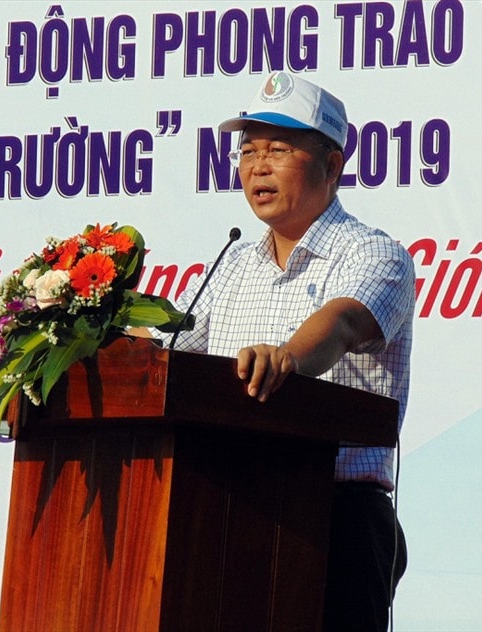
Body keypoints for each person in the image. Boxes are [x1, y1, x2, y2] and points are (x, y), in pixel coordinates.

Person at [159, 71, 415, 630]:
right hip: (226, 510)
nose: (257, 166)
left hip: (334, 518)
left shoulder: (376, 254)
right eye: (248, 151)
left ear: (332, 165)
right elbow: (172, 352)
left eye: (279, 149)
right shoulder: (231, 266)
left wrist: (289, 359)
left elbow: (345, 320)